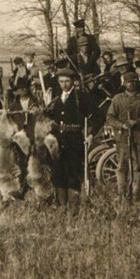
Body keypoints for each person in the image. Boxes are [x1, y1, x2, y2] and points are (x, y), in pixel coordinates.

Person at [45, 67, 94, 211]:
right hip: (57, 142)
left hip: (74, 141)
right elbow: (51, 117)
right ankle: (62, 207)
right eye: (61, 81)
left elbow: (98, 117)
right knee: (58, 174)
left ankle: (73, 210)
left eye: (67, 81)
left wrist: (91, 135)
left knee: (72, 174)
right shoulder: (56, 99)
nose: (64, 84)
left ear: (73, 81)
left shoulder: (81, 97)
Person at [106, 72, 140, 200]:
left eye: (134, 81)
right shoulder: (117, 99)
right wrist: (121, 125)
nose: (132, 84)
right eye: (129, 82)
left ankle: (135, 194)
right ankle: (122, 194)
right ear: (124, 83)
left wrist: (136, 122)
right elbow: (110, 117)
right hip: (122, 138)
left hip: (138, 137)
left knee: (137, 166)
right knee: (122, 166)